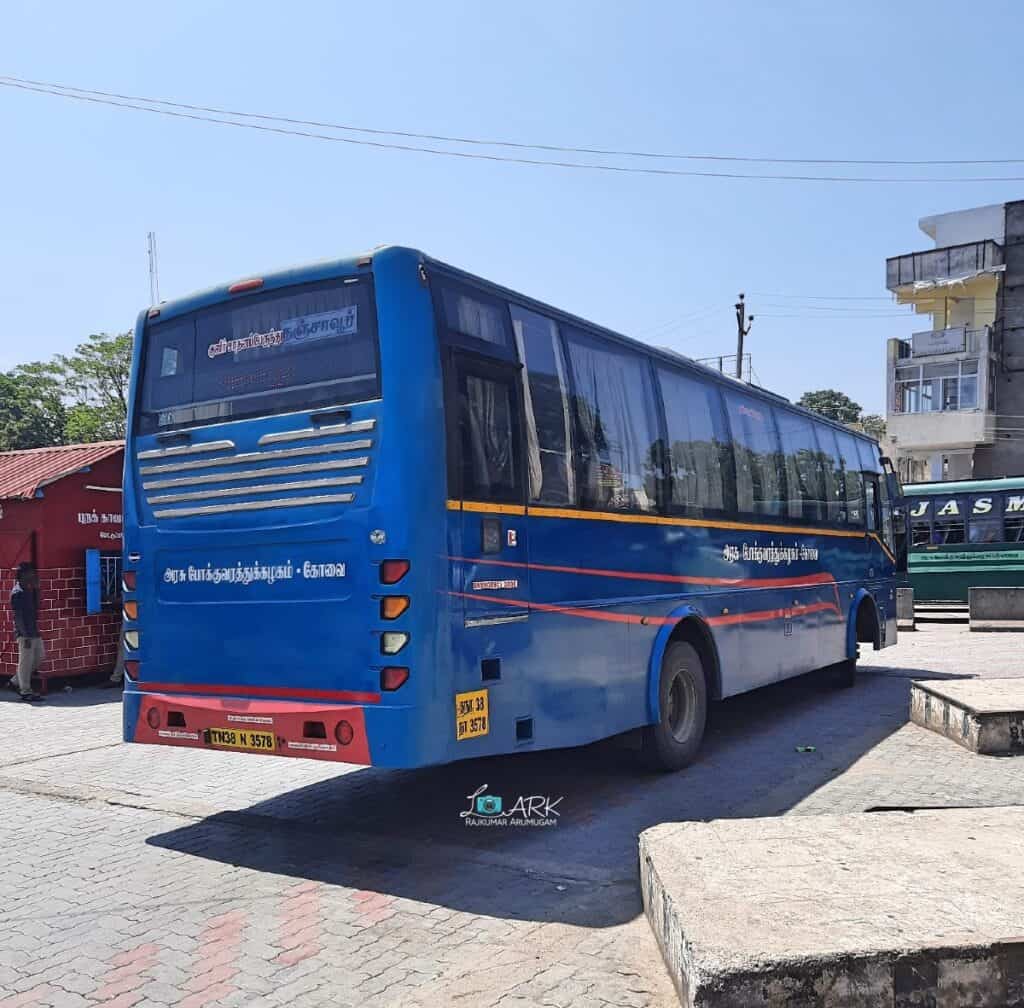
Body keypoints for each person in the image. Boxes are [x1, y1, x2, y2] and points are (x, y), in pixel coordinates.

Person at [9, 562, 44, 702]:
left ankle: (15, 681)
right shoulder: (17, 593)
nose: (34, 575)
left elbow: (37, 607)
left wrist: (37, 589)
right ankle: (25, 691)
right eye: (31, 572)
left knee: (39, 657)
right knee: (26, 662)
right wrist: (25, 635)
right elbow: (18, 617)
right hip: (25, 634)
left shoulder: (28, 590)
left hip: (33, 631)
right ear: (23, 574)